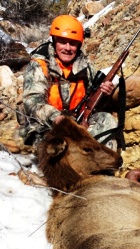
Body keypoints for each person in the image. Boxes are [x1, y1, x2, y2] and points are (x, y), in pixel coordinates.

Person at [21, 15, 119, 150]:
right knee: (55, 149)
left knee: (106, 119)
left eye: (72, 43)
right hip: (48, 123)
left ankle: (102, 165)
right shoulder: (40, 65)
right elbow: (32, 100)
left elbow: (96, 103)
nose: (67, 48)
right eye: (62, 41)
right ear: (54, 41)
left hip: (78, 120)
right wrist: (56, 117)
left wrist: (105, 93)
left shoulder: (86, 66)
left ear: (79, 44)